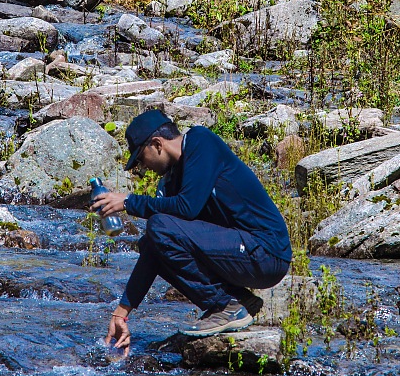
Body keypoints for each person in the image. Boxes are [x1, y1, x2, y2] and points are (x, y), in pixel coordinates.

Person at [91, 109, 292, 353]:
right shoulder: (173, 180)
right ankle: (236, 302)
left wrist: (129, 202)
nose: (143, 168)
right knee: (151, 242)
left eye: (141, 159)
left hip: (267, 250)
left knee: (159, 226)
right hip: (244, 252)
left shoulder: (200, 142)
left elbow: (187, 208)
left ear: (157, 144)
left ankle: (225, 306)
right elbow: (155, 250)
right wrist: (122, 313)